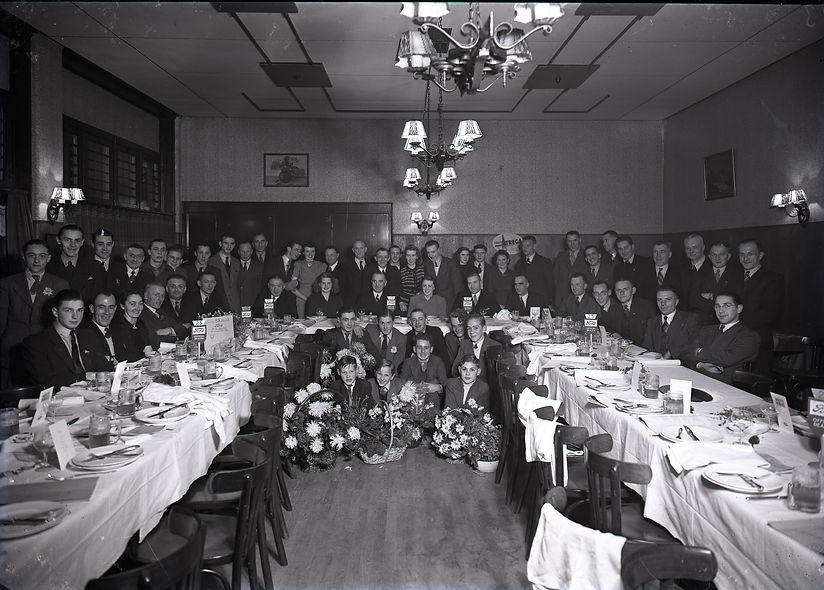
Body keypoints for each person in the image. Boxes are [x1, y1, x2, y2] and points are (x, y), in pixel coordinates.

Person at [0, 239, 70, 387]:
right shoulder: (7, 284)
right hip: (12, 351)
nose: (37, 260)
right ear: (23, 257)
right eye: (31, 255)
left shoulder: (60, 284)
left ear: (49, 258)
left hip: (46, 351)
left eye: (42, 256)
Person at [22, 289, 111, 390]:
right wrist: (85, 376)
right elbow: (46, 382)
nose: (75, 316)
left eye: (80, 310)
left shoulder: (88, 335)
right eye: (68, 310)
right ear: (55, 312)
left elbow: (105, 369)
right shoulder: (36, 343)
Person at [681, 293, 760, 383]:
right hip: (694, 378)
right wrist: (700, 365)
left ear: (739, 308)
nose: (721, 311)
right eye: (717, 306)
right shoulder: (705, 330)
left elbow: (726, 358)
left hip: (725, 385)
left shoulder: (748, 336)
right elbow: (684, 353)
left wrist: (698, 351)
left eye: (727, 306)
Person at [738, 239, 783, 374]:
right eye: (742, 254)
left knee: (755, 380)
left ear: (761, 255)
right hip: (733, 338)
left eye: (750, 254)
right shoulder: (733, 277)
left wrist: (737, 326)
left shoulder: (773, 279)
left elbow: (769, 313)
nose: (745, 258)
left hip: (759, 339)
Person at [688, 241, 742, 325]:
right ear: (709, 257)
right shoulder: (700, 273)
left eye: (722, 254)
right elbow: (693, 300)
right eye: (714, 255)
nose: (717, 258)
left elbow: (736, 299)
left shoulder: (737, 274)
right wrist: (721, 303)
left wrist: (712, 296)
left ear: (729, 256)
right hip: (704, 323)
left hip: (728, 322)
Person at [45, 224, 98, 303]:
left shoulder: (95, 267)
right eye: (67, 240)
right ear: (58, 240)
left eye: (77, 241)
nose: (73, 245)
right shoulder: (47, 266)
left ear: (82, 242)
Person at [642, 287, 699, 360]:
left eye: (668, 299)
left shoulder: (689, 320)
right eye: (659, 299)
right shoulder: (652, 322)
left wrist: (670, 353)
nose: (663, 303)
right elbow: (647, 348)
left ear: (676, 301)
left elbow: (692, 345)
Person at [399, 332, 446, 409]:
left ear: (431, 349)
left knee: (434, 381)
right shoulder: (408, 362)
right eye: (419, 347)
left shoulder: (438, 362)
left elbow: (445, 384)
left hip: (433, 403)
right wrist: (415, 387)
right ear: (414, 349)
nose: (423, 351)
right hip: (413, 403)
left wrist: (438, 387)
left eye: (426, 348)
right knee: (411, 381)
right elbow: (401, 384)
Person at [450, 313, 500, 377]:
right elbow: (454, 370)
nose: (472, 332)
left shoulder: (495, 346)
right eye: (469, 328)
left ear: (484, 328)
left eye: (476, 328)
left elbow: (497, 375)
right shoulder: (465, 344)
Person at [76, 292, 120, 366]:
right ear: (92, 309)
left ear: (115, 309)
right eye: (101, 307)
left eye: (111, 307)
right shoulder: (83, 333)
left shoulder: (119, 330)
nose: (107, 312)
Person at [141, 282, 187, 350]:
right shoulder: (140, 313)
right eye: (156, 295)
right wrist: (177, 338)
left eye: (162, 295)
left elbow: (183, 330)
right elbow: (154, 341)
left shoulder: (161, 312)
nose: (160, 299)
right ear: (146, 296)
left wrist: (170, 330)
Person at [109, 290, 152, 362]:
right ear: (122, 306)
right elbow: (124, 357)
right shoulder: (117, 327)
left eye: (140, 304)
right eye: (132, 304)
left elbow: (148, 349)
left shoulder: (141, 324)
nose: (137, 308)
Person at [422, 240, 464, 311]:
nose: (431, 255)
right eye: (428, 253)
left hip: (449, 304)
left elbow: (458, 287)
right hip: (432, 305)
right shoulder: (425, 264)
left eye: (433, 252)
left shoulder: (451, 263)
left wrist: (456, 307)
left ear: (439, 250)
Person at [613, 278, 656, 345]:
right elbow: (606, 326)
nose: (621, 293)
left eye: (625, 289)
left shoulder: (647, 307)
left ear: (633, 290)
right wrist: (614, 333)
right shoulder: (614, 308)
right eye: (618, 290)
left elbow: (656, 332)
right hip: (624, 347)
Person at [514, 235, 555, 306]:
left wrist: (549, 302)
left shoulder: (545, 262)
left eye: (528, 246)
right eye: (523, 246)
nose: (525, 248)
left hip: (541, 300)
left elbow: (550, 284)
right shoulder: (519, 263)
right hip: (524, 301)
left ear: (534, 246)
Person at [291, 242, 327, 318]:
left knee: (317, 319)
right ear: (303, 253)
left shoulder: (322, 265)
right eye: (307, 251)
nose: (310, 254)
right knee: (301, 320)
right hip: (301, 297)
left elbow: (325, 284)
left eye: (312, 251)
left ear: (315, 252)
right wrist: (305, 298)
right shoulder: (298, 264)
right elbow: (292, 287)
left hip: (317, 297)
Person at [553, 230, 588, 306]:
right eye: (569, 241)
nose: (572, 244)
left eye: (575, 241)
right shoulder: (560, 256)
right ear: (566, 242)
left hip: (580, 297)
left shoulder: (587, 255)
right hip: (562, 297)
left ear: (580, 240)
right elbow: (555, 277)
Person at [208, 234, 241, 314]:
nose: (229, 246)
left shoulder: (237, 262)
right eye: (226, 243)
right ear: (220, 244)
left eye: (232, 243)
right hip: (219, 306)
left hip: (235, 306)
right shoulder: (211, 262)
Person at [236, 240, 263, 310]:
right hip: (237, 305)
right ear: (238, 251)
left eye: (247, 251)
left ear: (251, 251)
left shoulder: (259, 266)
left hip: (254, 305)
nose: (245, 254)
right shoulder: (233, 265)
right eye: (243, 251)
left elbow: (261, 288)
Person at [399, 245, 425, 313]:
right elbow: (398, 290)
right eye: (408, 255)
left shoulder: (423, 269)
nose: (410, 258)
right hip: (405, 305)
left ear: (417, 257)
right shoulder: (401, 271)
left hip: (421, 303)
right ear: (405, 257)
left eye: (413, 255)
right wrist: (400, 302)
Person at [343, 240, 370, 307]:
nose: (359, 251)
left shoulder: (372, 265)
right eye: (356, 248)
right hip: (351, 304)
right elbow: (343, 288)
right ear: (353, 250)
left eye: (361, 248)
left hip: (368, 304)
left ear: (365, 249)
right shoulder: (345, 266)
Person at [90, 228, 115, 296]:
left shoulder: (120, 268)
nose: (105, 248)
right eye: (100, 244)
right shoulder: (83, 266)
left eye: (108, 244)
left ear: (113, 244)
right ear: (92, 244)